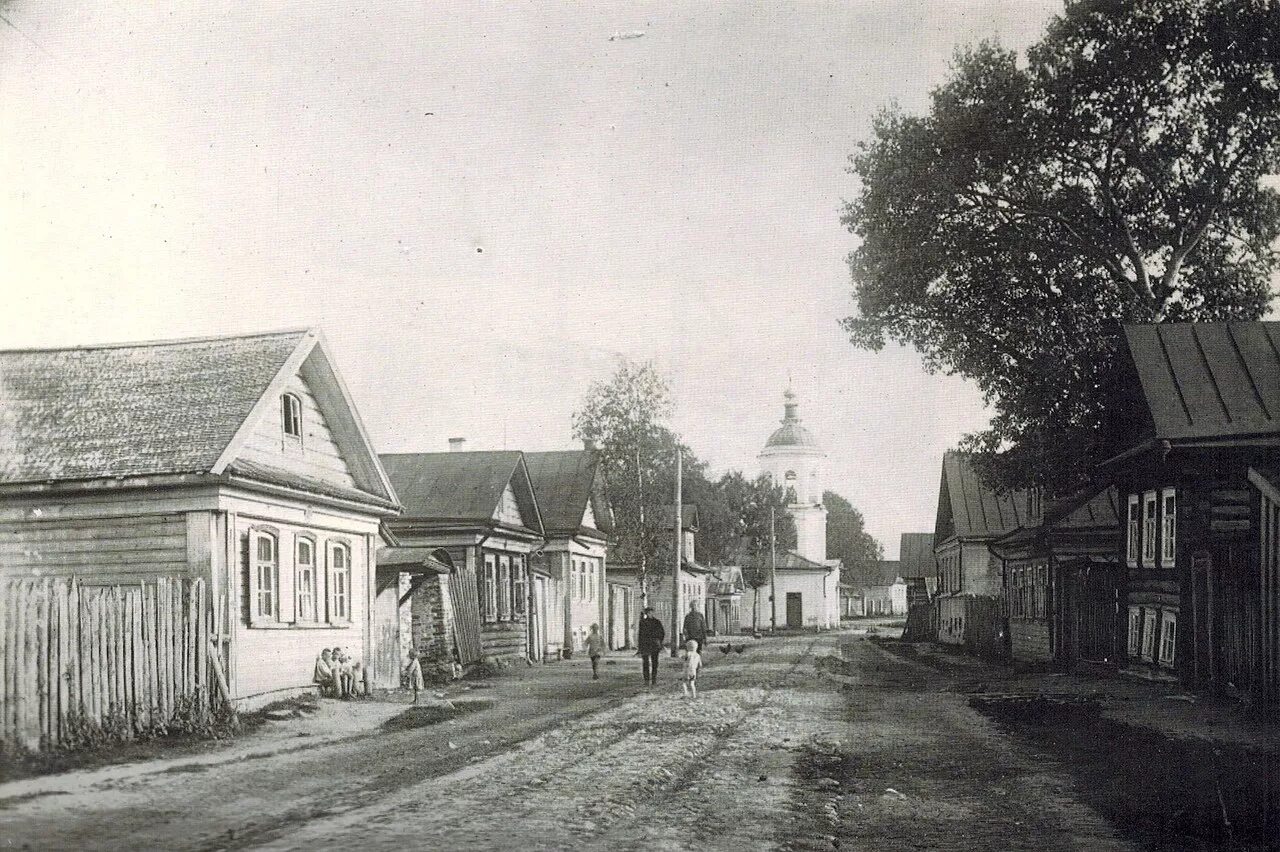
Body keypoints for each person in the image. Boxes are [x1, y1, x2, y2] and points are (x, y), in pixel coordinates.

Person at [637, 607, 665, 686]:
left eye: (651, 612)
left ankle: (654, 679)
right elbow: (640, 635)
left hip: (654, 645)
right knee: (645, 663)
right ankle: (646, 680)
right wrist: (640, 647)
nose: (650, 614)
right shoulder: (642, 622)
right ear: (646, 613)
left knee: (654, 662)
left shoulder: (657, 622)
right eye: (649, 613)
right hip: (645, 644)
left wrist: (659, 641)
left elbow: (662, 633)